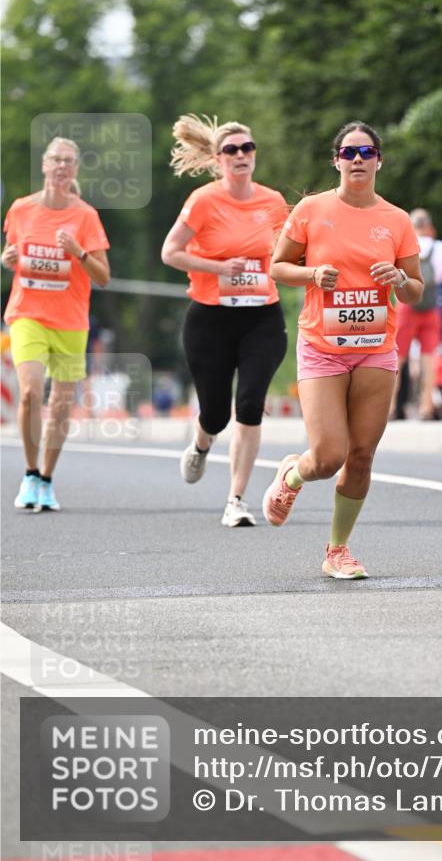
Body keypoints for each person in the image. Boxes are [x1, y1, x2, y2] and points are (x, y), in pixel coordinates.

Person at [265, 121, 423, 578]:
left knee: (361, 456)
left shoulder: (396, 220)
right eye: (349, 152)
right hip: (322, 346)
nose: (358, 160)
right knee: (329, 455)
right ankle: (293, 475)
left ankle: (337, 550)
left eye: (367, 152)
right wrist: (312, 275)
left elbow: (415, 291)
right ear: (336, 160)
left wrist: (400, 281)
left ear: (379, 161)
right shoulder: (313, 210)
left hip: (376, 348)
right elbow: (277, 267)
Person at [161, 116, 288, 527]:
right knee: (215, 414)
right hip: (210, 319)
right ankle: (201, 444)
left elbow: (289, 256)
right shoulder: (203, 201)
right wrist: (217, 268)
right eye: (231, 150)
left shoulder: (272, 202)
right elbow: (171, 252)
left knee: (250, 405)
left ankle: (236, 499)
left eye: (247, 148)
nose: (240, 156)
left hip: (261, 318)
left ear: (254, 155)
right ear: (218, 160)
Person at [1, 136, 110, 511]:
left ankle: (46, 479)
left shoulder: (86, 217)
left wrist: (77, 252)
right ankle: (30, 474)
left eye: (69, 161)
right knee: (30, 393)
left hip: (70, 321)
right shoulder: (20, 209)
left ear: (75, 170)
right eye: (56, 160)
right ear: (45, 166)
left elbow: (104, 277)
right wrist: (6, 258)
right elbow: (14, 256)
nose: (62, 166)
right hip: (28, 314)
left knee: (61, 404)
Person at [392, 209, 442, 419]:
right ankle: (426, 407)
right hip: (431, 306)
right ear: (430, 227)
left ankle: (389, 407)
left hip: (406, 305)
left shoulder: (403, 243)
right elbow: (441, 274)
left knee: (397, 358)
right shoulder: (439, 247)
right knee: (429, 358)